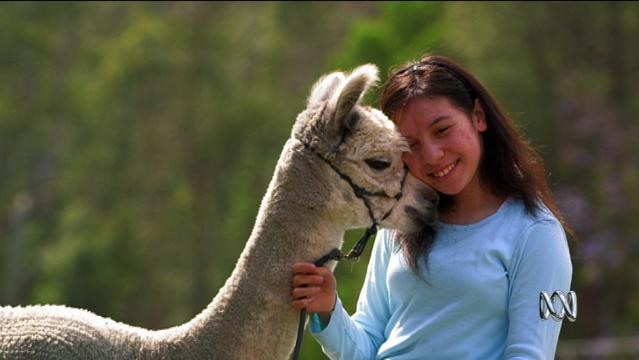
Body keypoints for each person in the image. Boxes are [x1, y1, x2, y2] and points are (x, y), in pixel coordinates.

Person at [291, 54, 573, 359]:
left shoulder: (537, 233)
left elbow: (530, 354)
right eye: (411, 145)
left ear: (478, 116)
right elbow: (367, 346)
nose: (432, 155)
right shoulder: (402, 224)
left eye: (442, 130)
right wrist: (329, 309)